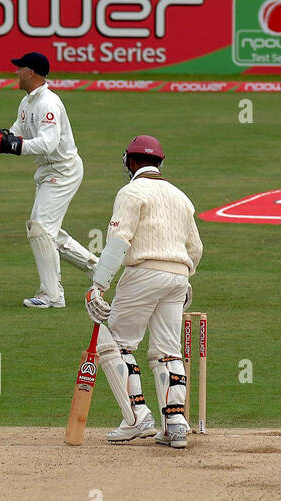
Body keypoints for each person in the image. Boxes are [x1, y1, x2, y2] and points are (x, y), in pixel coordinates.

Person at [84, 135, 204, 448]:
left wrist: (99, 286)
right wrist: (185, 276)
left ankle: (136, 416)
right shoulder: (181, 197)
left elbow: (120, 240)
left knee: (116, 344)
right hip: (178, 277)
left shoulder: (131, 192)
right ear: (160, 162)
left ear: (131, 162)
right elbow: (195, 248)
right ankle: (174, 423)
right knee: (168, 350)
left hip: (143, 273)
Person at [0, 51, 98, 309]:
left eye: (19, 68)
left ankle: (52, 295)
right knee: (47, 232)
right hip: (48, 171)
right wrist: (3, 140)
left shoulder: (48, 103)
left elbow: (48, 143)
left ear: (31, 72)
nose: (16, 72)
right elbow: (17, 132)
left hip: (63, 170)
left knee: (40, 228)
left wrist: (12, 146)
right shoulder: (27, 103)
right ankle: (97, 269)